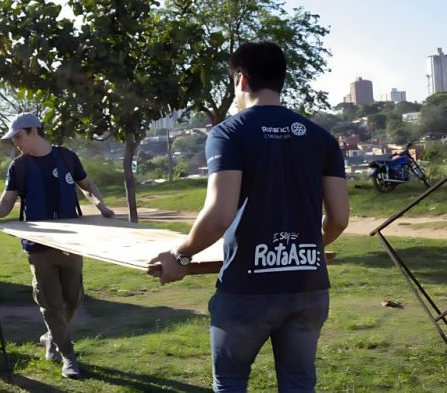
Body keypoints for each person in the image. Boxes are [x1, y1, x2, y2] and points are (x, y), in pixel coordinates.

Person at [150, 41, 349, 392]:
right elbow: (340, 219)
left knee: (230, 382)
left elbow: (219, 214)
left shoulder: (229, 133)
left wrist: (181, 255)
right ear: (281, 80)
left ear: (241, 80)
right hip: (308, 287)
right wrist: (304, 249)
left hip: (247, 290)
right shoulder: (321, 138)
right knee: (300, 384)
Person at [0, 112, 115, 379]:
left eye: (19, 137)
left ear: (33, 131)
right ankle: (68, 355)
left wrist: (100, 205)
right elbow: (7, 201)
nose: (16, 143)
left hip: (71, 240)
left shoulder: (66, 157)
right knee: (50, 304)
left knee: (74, 298)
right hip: (38, 245)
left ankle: (50, 336)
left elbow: (86, 184)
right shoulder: (18, 167)